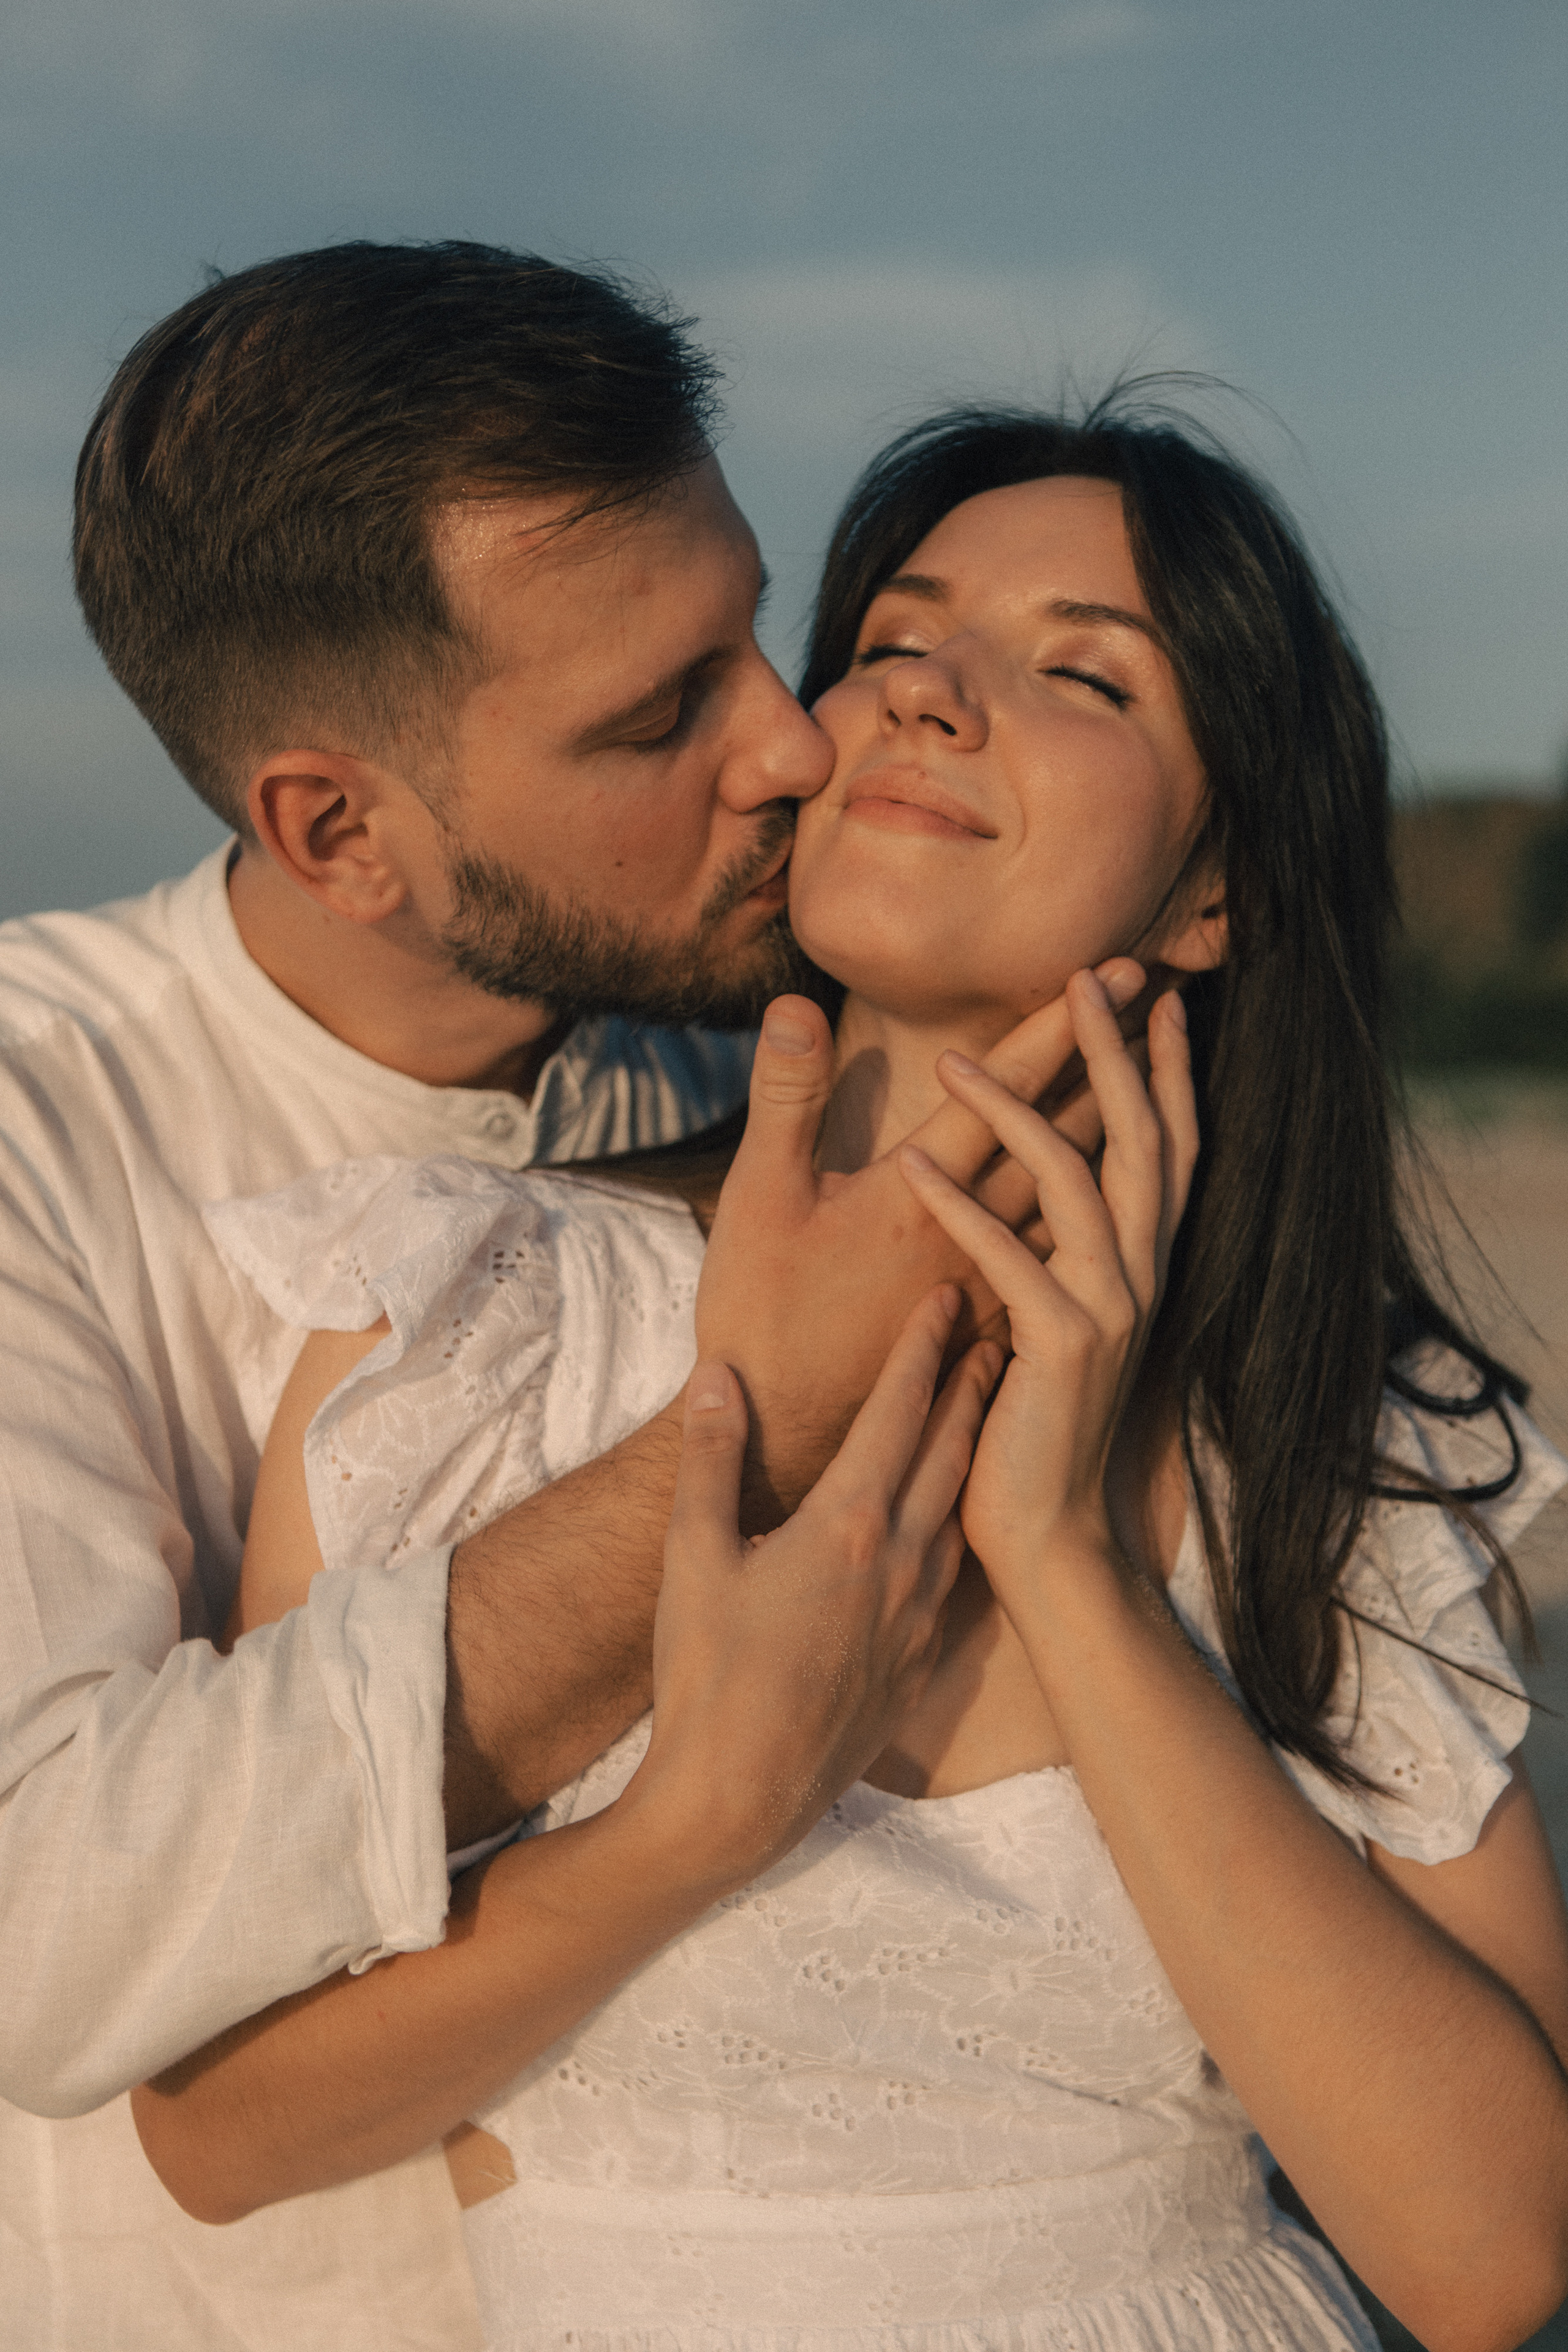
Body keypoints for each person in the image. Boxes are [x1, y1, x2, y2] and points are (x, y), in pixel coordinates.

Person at [132, 402, 1568, 2350]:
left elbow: (1492, 2263)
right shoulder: (486, 1321)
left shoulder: (1320, 1428)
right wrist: (699, 1821)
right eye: (893, 642)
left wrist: (1072, 1562)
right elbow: (219, 2125)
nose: (930, 700)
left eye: (1084, 672)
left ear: (1217, 888)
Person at [0, 247, 1086, 2352]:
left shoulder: (737, 1069)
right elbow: (38, 1922)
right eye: (658, 713)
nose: (792, 741)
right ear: (341, 831)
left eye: (752, 632)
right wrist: (745, 1423)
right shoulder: (40, 1125)